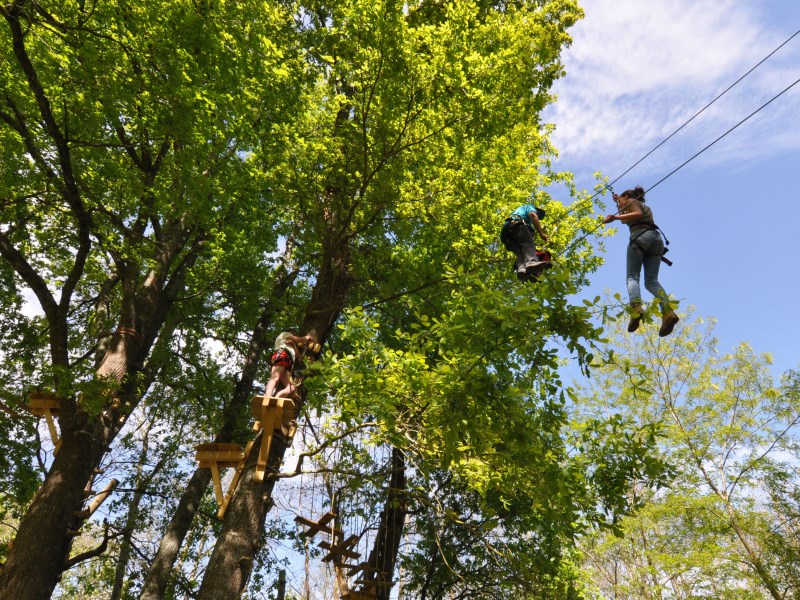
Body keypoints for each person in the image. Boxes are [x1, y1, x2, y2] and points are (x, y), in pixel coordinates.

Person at [603, 186, 679, 336]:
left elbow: (635, 214)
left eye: (621, 201)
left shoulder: (632, 201)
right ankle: (668, 312)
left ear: (627, 196)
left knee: (632, 277)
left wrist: (615, 217)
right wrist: (618, 202)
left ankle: (636, 308)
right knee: (651, 282)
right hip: (655, 241)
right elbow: (628, 214)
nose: (621, 207)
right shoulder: (639, 205)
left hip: (640, 238)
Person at [501, 201, 550, 281]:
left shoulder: (519, 214)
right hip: (516, 226)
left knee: (521, 252)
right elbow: (533, 215)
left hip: (506, 237)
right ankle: (531, 262)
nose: (537, 216)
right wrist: (541, 234)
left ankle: (522, 270)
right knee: (528, 244)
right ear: (537, 211)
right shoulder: (530, 207)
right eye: (538, 215)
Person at [265, 331, 316, 399]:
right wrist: (307, 337)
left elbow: (299, 357)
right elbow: (299, 339)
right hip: (282, 354)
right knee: (275, 378)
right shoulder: (284, 334)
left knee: (291, 388)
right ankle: (267, 398)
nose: (294, 336)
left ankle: (276, 400)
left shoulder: (290, 345)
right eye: (294, 334)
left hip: (289, 361)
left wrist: (294, 345)